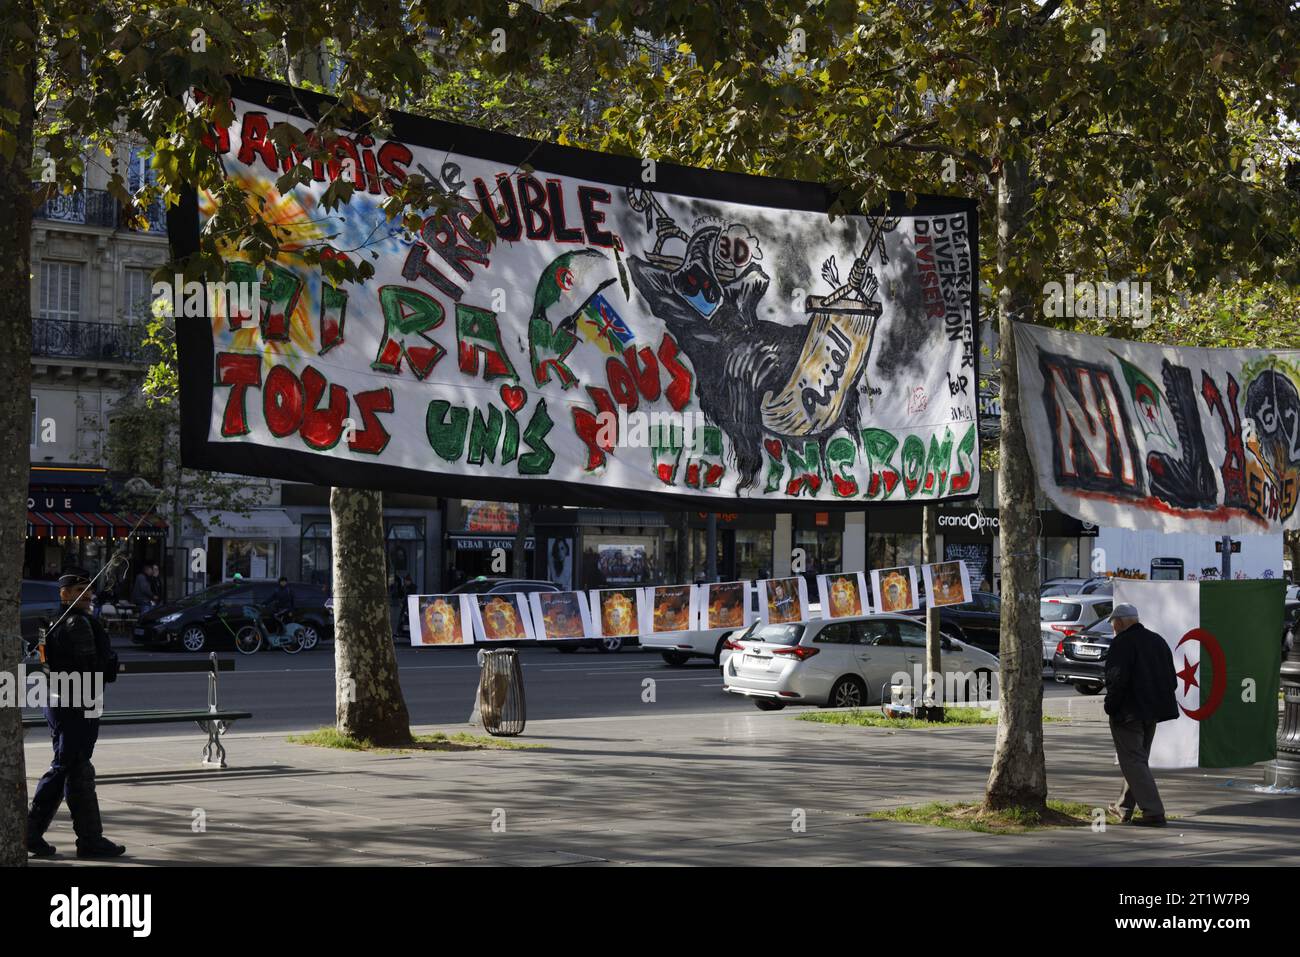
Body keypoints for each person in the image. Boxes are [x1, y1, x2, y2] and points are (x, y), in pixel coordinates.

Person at [26, 569, 126, 859]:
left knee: (79, 768)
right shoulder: (77, 623)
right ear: (64, 593)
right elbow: (95, 670)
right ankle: (31, 831)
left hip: (62, 701)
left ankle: (90, 839)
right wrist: (110, 661)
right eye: (81, 591)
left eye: (89, 590)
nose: (89, 595)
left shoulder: (56, 620)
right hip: (78, 703)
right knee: (66, 765)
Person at [1104, 602, 1180, 827]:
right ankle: (1123, 807)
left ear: (1120, 622)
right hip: (1152, 712)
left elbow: (1116, 679)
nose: (1113, 627)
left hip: (1128, 713)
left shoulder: (1122, 643)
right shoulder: (1157, 641)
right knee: (1138, 760)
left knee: (1134, 761)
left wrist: (1111, 705)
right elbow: (1172, 680)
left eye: (1113, 623)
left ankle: (1154, 811)